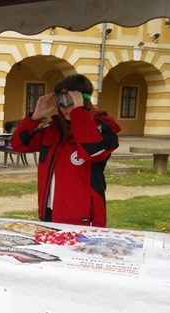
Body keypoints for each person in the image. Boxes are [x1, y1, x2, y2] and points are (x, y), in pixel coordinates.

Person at [10, 74, 120, 227]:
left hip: (84, 217)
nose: (65, 107)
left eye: (70, 101)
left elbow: (92, 152)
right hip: (50, 212)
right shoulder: (54, 130)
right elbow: (18, 145)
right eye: (60, 102)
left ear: (83, 99)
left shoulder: (103, 127)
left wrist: (79, 112)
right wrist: (36, 116)